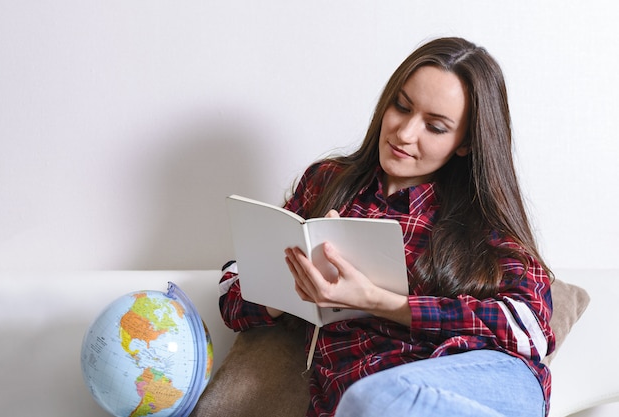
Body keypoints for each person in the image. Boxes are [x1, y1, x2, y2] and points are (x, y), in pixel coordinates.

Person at [219, 37, 555, 417]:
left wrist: (379, 301)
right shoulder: (327, 184)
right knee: (365, 400)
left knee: (374, 397)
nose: (405, 133)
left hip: (486, 382)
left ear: (465, 143)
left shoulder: (478, 216)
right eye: (401, 106)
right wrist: (300, 284)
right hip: (363, 400)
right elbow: (232, 293)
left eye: (435, 126)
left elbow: (530, 329)